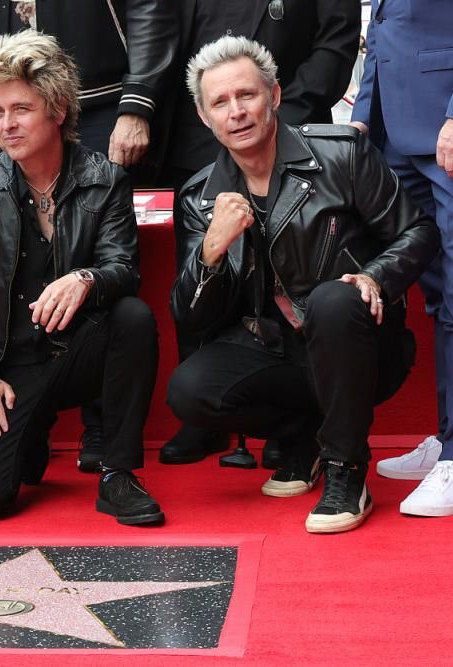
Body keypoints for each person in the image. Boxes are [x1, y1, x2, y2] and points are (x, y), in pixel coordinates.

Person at [167, 36, 438, 533]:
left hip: (359, 345)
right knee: (190, 390)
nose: (236, 111)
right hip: (278, 353)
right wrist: (211, 250)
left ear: (274, 95)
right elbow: (191, 316)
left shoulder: (341, 154)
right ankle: (304, 435)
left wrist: (375, 276)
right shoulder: (199, 196)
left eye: (246, 94)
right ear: (205, 117)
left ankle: (346, 470)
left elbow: (418, 231)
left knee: (333, 298)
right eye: (220, 102)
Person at [0, 30, 163, 525]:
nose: (6, 125)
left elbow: (124, 269)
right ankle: (30, 433)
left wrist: (86, 278)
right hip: (8, 366)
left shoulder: (106, 180)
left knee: (132, 317)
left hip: (77, 351)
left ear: (58, 109)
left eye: (21, 109)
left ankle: (117, 474)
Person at [161, 0, 361, 467]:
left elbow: (336, 37)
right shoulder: (199, 173)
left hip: (291, 118)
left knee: (320, 291)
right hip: (196, 132)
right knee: (210, 278)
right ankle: (264, 421)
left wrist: (278, 111)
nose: (236, 109)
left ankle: (318, 432)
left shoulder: (342, 154)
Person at [351, 1, 453, 517]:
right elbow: (383, 27)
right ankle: (448, 436)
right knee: (440, 297)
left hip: (445, 129)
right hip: (397, 134)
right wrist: (361, 120)